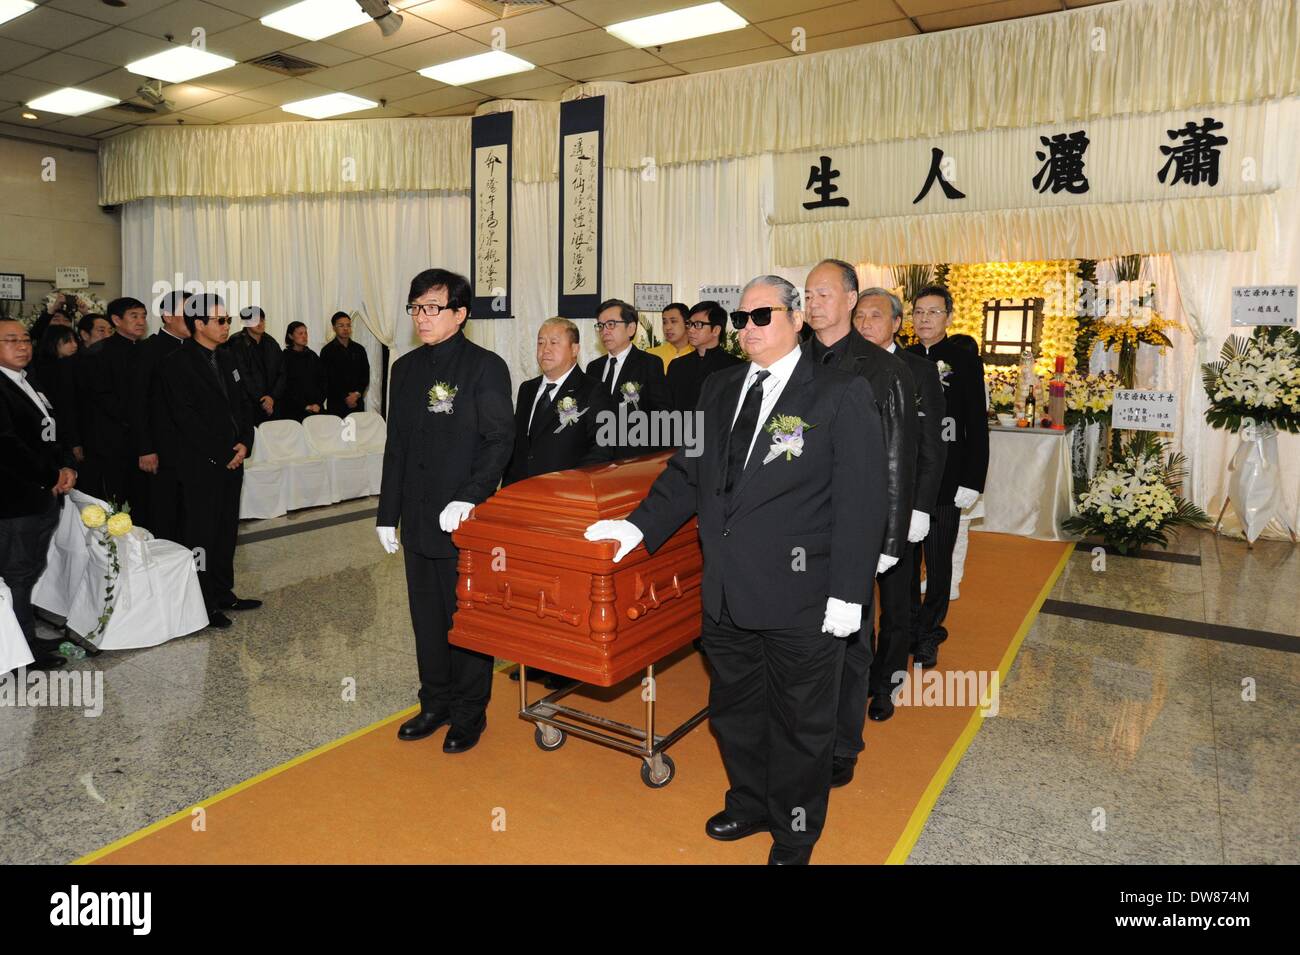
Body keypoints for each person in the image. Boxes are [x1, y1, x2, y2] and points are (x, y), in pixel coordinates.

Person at [585, 275, 885, 865]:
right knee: (736, 712)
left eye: (762, 316)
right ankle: (749, 801)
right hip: (725, 593)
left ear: (796, 319)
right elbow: (686, 474)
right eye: (741, 318)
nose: (748, 328)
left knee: (801, 721)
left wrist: (850, 592)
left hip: (805, 594)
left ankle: (795, 831)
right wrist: (638, 527)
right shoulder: (720, 388)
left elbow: (862, 499)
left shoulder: (840, 392)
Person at [376, 269, 514, 754]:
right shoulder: (405, 368)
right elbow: (396, 447)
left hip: (464, 522)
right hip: (416, 519)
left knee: (466, 620)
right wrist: (384, 513)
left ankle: (468, 713)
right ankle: (433, 703)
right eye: (416, 307)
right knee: (426, 619)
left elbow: (500, 438)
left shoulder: (485, 367)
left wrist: (472, 495)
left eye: (433, 307)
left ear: (460, 313)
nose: (422, 317)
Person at [801, 260, 916, 786]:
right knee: (799, 635)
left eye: (824, 293)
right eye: (807, 294)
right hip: (797, 524)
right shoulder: (793, 356)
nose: (813, 302)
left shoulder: (881, 368)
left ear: (850, 299)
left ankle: (843, 744)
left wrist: (888, 538)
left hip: (853, 527)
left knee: (849, 637)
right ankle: (798, 731)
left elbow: (896, 456)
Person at [850, 289, 947, 736]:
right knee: (852, 595)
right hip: (853, 502)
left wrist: (920, 508)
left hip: (899, 504)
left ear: (896, 323)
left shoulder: (919, 370)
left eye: (875, 316)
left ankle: (887, 681)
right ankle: (853, 674)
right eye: (860, 316)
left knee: (896, 597)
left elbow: (930, 447)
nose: (866, 323)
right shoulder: (841, 363)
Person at [504, 317, 615, 690]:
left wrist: (566, 491)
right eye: (540, 342)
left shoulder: (594, 392)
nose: (545, 349)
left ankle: (565, 661)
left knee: (563, 586)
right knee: (529, 584)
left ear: (575, 349)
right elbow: (520, 449)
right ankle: (533, 654)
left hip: (567, 506)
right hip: (526, 505)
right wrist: (509, 496)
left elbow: (602, 450)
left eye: (554, 342)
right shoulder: (527, 389)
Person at [156, 294, 261, 631]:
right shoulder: (176, 363)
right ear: (198, 324)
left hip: (234, 459)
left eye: (228, 319)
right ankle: (203, 601)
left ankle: (222, 590)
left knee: (227, 529)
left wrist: (245, 442)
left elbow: (244, 405)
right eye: (220, 321)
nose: (227, 326)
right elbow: (184, 419)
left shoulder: (229, 358)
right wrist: (221, 452)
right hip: (202, 464)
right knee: (201, 534)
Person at [906, 285, 989, 669]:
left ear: (949, 317)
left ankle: (929, 632)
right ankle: (906, 625)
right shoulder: (900, 359)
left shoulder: (964, 361)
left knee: (939, 564)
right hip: (906, 481)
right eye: (918, 312)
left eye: (933, 312)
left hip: (946, 479)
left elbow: (977, 426)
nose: (924, 319)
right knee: (903, 563)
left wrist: (972, 481)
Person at [0, 319, 78, 669]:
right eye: (10, 340)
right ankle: (21, 651)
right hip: (15, 500)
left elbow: (52, 429)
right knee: (16, 573)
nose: (22, 346)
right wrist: (50, 474)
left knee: (29, 569)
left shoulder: (29, 380)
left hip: (44, 493)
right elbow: (7, 445)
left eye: (25, 339)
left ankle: (25, 634)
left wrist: (66, 466)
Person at [130, 290, 190, 542]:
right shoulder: (149, 350)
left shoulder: (196, 349)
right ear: (167, 316)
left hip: (191, 449)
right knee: (163, 514)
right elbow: (137, 402)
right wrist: (145, 447)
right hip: (161, 449)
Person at [82, 296, 149, 506]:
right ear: (117, 320)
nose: (141, 321)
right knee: (114, 500)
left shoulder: (146, 350)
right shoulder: (99, 353)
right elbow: (102, 397)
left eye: (144, 316)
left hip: (141, 437)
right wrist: (135, 419)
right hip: (112, 440)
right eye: (134, 316)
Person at [585, 298, 670, 458]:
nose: (605, 331)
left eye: (611, 324)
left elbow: (662, 414)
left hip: (635, 456)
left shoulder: (649, 363)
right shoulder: (593, 367)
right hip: (597, 457)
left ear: (631, 328)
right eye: (600, 326)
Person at [667, 300, 743, 412]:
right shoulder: (677, 365)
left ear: (716, 330)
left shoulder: (736, 367)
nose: (691, 330)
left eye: (698, 325)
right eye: (689, 324)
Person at [223, 305, 285, 423]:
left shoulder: (272, 343)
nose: (260, 323)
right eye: (255, 320)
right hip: (248, 404)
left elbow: (282, 372)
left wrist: (272, 397)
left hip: (273, 403)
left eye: (262, 320)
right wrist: (262, 400)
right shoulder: (236, 342)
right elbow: (241, 374)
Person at [320, 311, 369, 417]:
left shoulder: (359, 349)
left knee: (359, 432)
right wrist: (346, 397)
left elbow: (365, 375)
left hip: (357, 402)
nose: (345, 328)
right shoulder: (327, 351)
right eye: (341, 325)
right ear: (334, 328)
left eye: (348, 325)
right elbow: (327, 379)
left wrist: (356, 394)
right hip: (337, 404)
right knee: (337, 433)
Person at [281, 321, 327, 423]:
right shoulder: (284, 357)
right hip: (293, 411)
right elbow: (285, 386)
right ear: (291, 336)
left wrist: (318, 403)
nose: (304, 336)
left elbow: (323, 381)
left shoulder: (312, 356)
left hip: (316, 408)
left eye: (306, 333)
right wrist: (304, 406)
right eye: (300, 333)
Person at [646, 302, 692, 371]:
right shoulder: (652, 355)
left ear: (687, 324)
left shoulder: (698, 354)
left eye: (673, 321)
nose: (667, 327)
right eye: (664, 322)